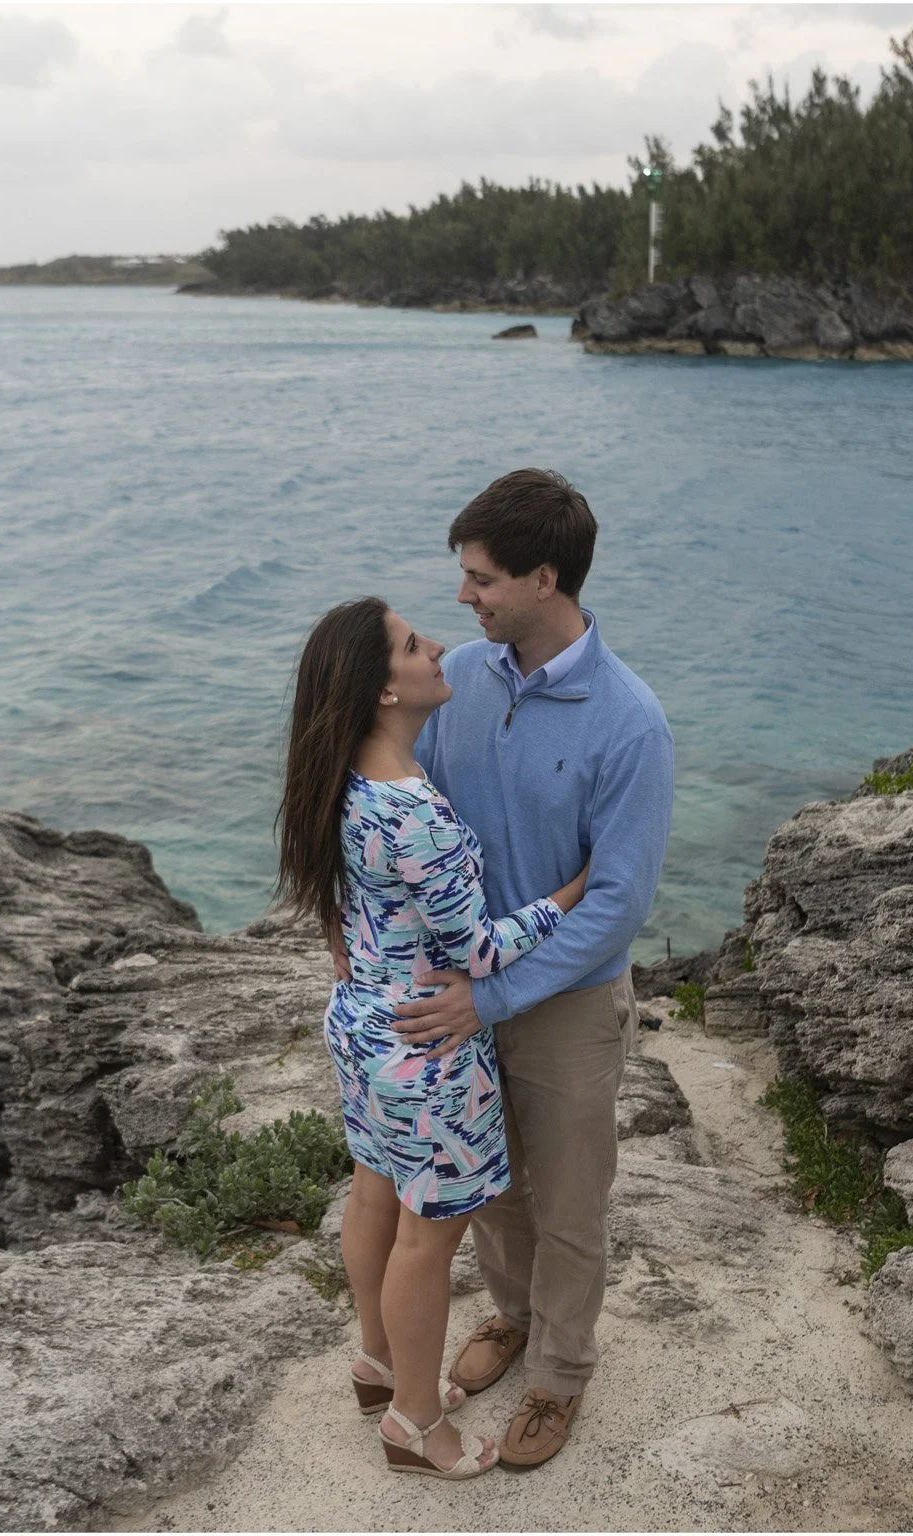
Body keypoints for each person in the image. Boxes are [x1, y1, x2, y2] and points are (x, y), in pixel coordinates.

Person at [393, 468, 675, 1469]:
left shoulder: (629, 722)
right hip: (462, 990)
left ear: (543, 577)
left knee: (565, 1199)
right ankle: (508, 1317)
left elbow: (617, 907)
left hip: (559, 1003)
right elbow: (398, 801)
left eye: (480, 578)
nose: (464, 597)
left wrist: (495, 994)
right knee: (491, 1183)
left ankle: (559, 1373)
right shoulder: (460, 680)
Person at [278, 595, 589, 1480]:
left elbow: (349, 916)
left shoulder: (338, 785)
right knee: (429, 1237)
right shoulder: (418, 816)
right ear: (384, 690)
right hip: (428, 1054)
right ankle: (415, 1425)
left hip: (363, 1027)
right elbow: (481, 951)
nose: (439, 646)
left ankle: (379, 1363)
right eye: (416, 644)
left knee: (373, 1194)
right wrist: (569, 894)